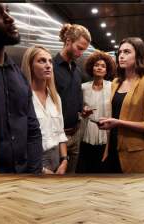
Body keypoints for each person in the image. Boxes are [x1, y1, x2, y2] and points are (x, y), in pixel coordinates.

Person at [0, 3, 42, 173]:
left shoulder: (18, 75)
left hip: (24, 172)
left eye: (8, 11)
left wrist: (34, 170)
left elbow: (32, 128)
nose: (9, 18)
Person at [98, 37, 144, 173]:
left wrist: (119, 123)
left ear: (138, 55)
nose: (121, 56)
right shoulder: (116, 82)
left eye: (127, 52)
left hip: (136, 154)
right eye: (120, 52)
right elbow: (115, 113)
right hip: (112, 149)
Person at [21, 46, 68, 175]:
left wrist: (64, 160)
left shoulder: (55, 97)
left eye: (50, 61)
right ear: (30, 66)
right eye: (42, 61)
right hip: (35, 161)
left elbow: (60, 132)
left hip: (57, 158)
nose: (48, 65)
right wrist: (40, 169)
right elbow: (21, 140)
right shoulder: (24, 97)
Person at [53, 23, 91, 173]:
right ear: (68, 41)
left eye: (84, 50)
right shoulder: (51, 67)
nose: (81, 53)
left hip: (75, 133)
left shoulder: (76, 70)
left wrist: (83, 109)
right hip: (57, 138)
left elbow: (72, 98)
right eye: (79, 48)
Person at [76, 50, 116, 173]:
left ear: (107, 70)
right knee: (85, 165)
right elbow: (78, 110)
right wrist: (83, 112)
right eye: (96, 65)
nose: (99, 68)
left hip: (106, 131)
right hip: (87, 130)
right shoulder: (83, 87)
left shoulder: (112, 86)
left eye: (103, 66)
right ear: (91, 67)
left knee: (102, 168)